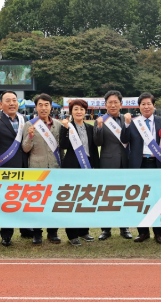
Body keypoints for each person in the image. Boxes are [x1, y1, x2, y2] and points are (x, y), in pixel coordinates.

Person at [121, 92, 161, 244]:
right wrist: (126, 124)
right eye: (143, 104)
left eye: (149, 104)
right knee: (140, 199)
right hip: (139, 164)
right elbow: (124, 140)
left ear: (153, 105)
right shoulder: (133, 122)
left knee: (158, 198)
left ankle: (159, 233)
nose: (146, 106)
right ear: (139, 107)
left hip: (157, 164)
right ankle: (143, 232)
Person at [0, 90, 29, 247]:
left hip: (25, 165)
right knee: (7, 201)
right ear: (1, 104)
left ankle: (26, 230)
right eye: (8, 100)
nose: (11, 103)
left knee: (24, 199)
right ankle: (6, 234)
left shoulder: (24, 118)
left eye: (14, 100)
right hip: (6, 166)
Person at [59, 98, 100, 246]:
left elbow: (94, 150)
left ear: (85, 111)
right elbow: (63, 146)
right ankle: (72, 234)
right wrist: (64, 129)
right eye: (76, 109)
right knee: (72, 201)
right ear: (71, 111)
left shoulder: (89, 128)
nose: (79, 112)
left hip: (88, 168)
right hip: (72, 168)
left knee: (86, 199)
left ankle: (84, 231)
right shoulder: (67, 126)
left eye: (82, 109)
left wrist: (96, 166)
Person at [22, 93, 61, 245]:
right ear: (36, 107)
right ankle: (37, 233)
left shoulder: (58, 124)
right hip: (36, 170)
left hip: (55, 169)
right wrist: (30, 136)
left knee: (53, 203)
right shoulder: (29, 125)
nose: (43, 108)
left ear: (51, 107)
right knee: (36, 203)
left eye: (46, 105)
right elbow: (25, 149)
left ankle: (53, 233)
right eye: (40, 105)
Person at [93, 90, 132, 241]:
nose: (113, 104)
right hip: (108, 162)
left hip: (126, 162)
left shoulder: (127, 119)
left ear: (121, 104)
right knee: (107, 197)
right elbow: (97, 143)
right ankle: (106, 229)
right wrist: (100, 128)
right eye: (110, 102)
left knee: (125, 196)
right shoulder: (100, 120)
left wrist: (128, 125)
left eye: (116, 102)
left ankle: (124, 227)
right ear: (105, 105)